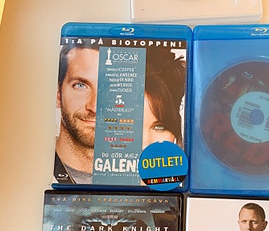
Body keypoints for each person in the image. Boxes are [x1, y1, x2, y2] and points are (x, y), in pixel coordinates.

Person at [54, 42, 186, 183]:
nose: (94, 107)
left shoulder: (161, 178)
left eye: (111, 88)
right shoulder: (43, 168)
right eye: (80, 86)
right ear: (58, 94)